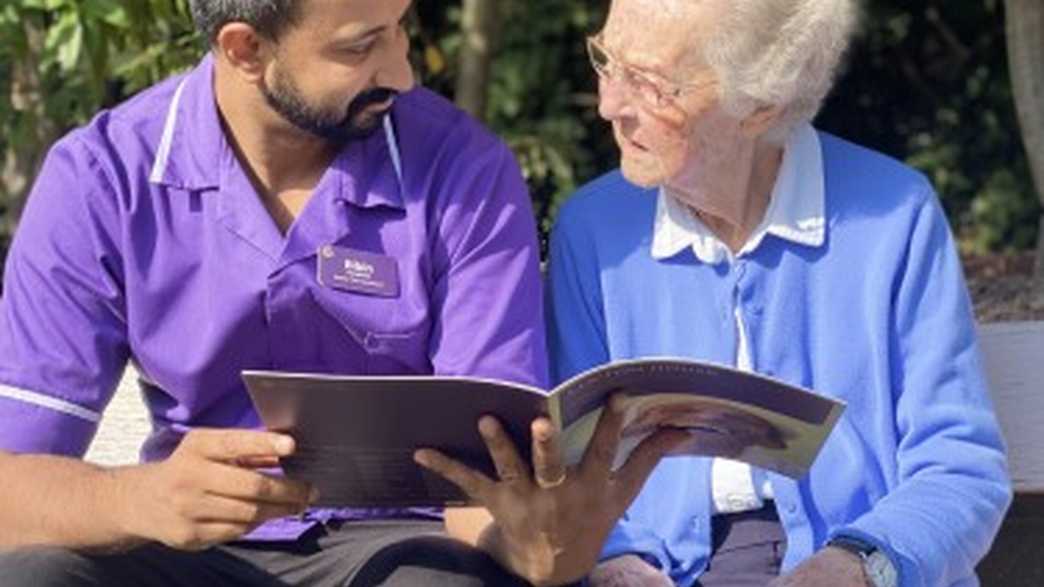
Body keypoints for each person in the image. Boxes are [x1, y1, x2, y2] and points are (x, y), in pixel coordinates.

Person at [0, 0, 555, 585]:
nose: (402, 72)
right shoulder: (101, 180)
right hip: (189, 544)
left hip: (402, 546)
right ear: (246, 49)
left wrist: (549, 539)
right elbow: (10, 485)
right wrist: (139, 499)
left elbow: (495, 476)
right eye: (360, 46)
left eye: (401, 29)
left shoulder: (465, 172)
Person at [539, 0, 1011, 585]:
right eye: (607, 62)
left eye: (652, 85)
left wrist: (860, 565)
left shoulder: (894, 217)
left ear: (760, 103)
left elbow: (960, 466)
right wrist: (614, 558)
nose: (610, 104)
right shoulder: (595, 233)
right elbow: (572, 458)